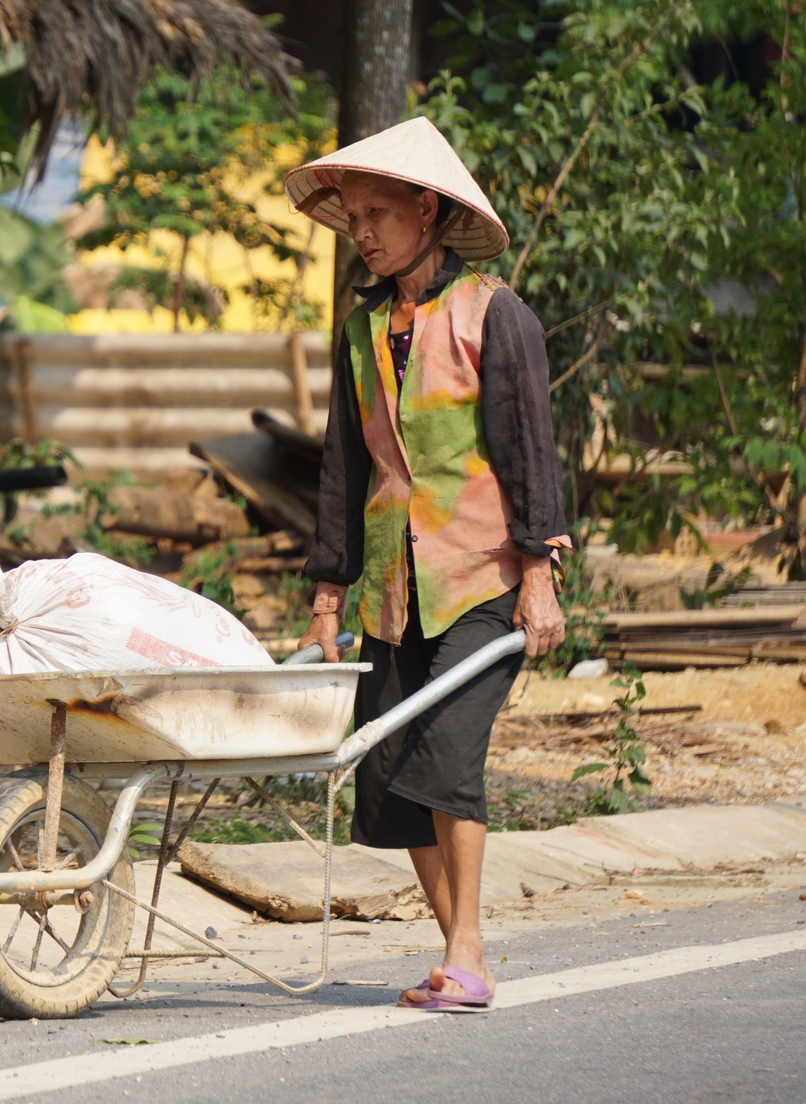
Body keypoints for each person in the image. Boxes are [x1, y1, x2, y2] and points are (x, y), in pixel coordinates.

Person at [283, 117, 570, 1011]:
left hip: (482, 574)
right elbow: (343, 466)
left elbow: (528, 450)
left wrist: (539, 573)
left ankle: (471, 950)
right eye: (352, 215)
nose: (362, 231)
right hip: (390, 585)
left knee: (447, 751)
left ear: (429, 210)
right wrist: (328, 599)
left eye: (379, 212)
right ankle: (458, 955)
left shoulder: (495, 313)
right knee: (394, 768)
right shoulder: (365, 328)